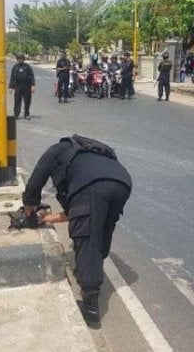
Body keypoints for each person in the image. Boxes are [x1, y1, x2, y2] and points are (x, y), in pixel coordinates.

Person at [21, 135, 132, 329]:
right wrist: (46, 218)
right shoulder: (95, 152)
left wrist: (29, 207)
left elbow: (37, 178)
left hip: (93, 186)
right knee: (102, 230)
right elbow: (79, 211)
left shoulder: (58, 150)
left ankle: (91, 310)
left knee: (87, 239)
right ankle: (88, 269)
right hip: (122, 183)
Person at [8, 54, 36, 120]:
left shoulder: (27, 67)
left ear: (23, 59)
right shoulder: (15, 67)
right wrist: (10, 87)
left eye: (21, 59)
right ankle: (16, 114)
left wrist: (33, 85)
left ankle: (26, 114)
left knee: (27, 101)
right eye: (18, 59)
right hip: (18, 85)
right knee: (17, 101)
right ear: (17, 60)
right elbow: (12, 77)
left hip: (26, 85)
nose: (20, 60)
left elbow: (32, 76)